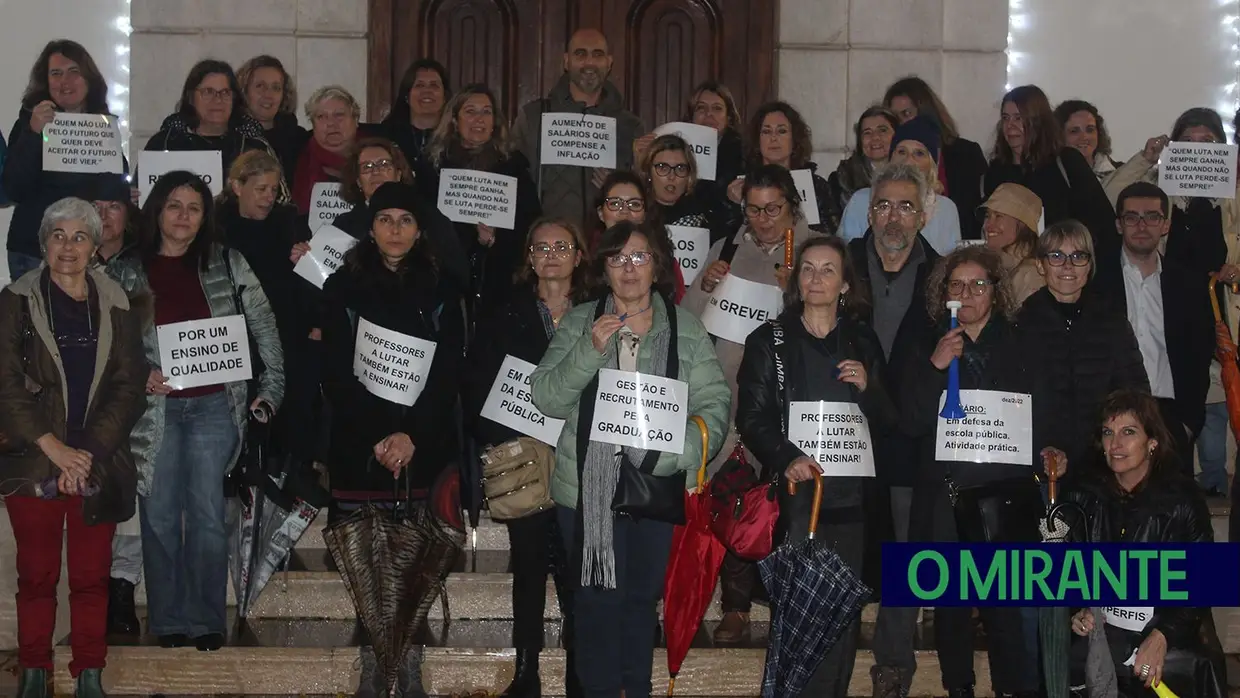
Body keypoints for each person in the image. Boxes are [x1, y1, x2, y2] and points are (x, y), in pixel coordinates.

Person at [530, 221, 730, 698]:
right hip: (585, 492)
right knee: (595, 605)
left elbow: (716, 405)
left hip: (653, 488)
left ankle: (635, 690)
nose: (629, 269)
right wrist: (590, 350)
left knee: (640, 603)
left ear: (657, 264)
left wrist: (669, 454)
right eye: (617, 258)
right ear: (603, 267)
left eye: (639, 257)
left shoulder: (685, 326)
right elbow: (546, 397)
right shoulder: (580, 321)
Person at [107, 170, 284, 652]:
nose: (183, 216)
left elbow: (264, 324)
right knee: (160, 515)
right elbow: (104, 338)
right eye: (174, 206)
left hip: (213, 406)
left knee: (207, 514)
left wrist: (271, 388)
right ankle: (167, 620)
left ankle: (207, 619)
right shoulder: (125, 268)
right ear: (157, 210)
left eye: (194, 207)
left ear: (206, 216)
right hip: (152, 410)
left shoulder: (228, 261)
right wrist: (137, 371)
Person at [319, 181, 465, 696]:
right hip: (362, 448)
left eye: (405, 220)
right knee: (366, 567)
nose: (395, 229)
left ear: (420, 229)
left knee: (418, 563)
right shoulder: (341, 286)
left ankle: (408, 662)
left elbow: (448, 374)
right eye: (385, 220)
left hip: (423, 447)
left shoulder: (446, 287)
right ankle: (372, 661)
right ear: (371, 227)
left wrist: (411, 435)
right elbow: (335, 373)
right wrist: (382, 434)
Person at [893, 245, 1057, 698]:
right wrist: (935, 366)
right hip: (945, 494)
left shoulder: (1023, 342)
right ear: (942, 292)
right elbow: (907, 421)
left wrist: (1048, 450)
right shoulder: (924, 342)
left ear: (995, 291)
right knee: (952, 605)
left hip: (1004, 493)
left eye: (978, 285)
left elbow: (1043, 411)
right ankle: (958, 688)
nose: (967, 293)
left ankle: (1010, 689)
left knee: (1004, 603)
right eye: (956, 285)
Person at [735, 236, 896, 697]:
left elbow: (891, 421)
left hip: (853, 505)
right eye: (808, 269)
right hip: (798, 503)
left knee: (841, 623)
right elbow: (752, 417)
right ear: (796, 280)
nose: (817, 278)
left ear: (845, 283)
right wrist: (787, 458)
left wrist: (869, 388)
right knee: (799, 624)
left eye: (828, 270)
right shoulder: (770, 340)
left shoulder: (863, 341)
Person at [0, 198, 147, 698]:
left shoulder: (121, 302)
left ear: (95, 244)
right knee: (36, 577)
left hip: (98, 462)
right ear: (43, 244)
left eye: (79, 236)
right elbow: (6, 385)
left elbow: (129, 386)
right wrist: (56, 450)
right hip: (33, 458)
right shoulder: (13, 300)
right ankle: (34, 675)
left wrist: (84, 453)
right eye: (58, 236)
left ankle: (89, 675)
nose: (68, 246)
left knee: (91, 580)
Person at [682, 164, 818, 644]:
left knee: (786, 506)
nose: (762, 220)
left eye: (773, 209)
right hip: (732, 395)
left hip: (790, 401)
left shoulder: (813, 251)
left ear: (793, 206)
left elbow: (837, 316)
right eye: (754, 209)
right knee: (737, 499)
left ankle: (791, 604)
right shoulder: (726, 249)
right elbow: (688, 325)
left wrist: (793, 291)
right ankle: (735, 606)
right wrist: (704, 287)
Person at [463, 218, 590, 698]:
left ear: (579, 256)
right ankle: (526, 670)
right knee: (530, 565)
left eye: (563, 245)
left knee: (579, 569)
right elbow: (476, 383)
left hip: (582, 459)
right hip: (526, 459)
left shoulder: (600, 313)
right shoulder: (503, 314)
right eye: (543, 247)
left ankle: (579, 669)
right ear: (530, 258)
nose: (553, 254)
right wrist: (505, 436)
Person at [844, 163, 940, 698]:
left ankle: (893, 663)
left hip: (910, 431)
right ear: (869, 211)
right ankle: (827, 651)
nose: (894, 217)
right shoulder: (840, 264)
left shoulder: (945, 273)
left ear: (923, 213)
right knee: (842, 543)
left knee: (906, 550)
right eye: (884, 205)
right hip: (840, 430)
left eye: (906, 206)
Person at [1063, 391, 1225, 698]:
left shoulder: (1182, 501)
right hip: (1104, 627)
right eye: (1108, 433)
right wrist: (1078, 610)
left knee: (1170, 668)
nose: (1115, 444)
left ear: (1152, 443)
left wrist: (1162, 636)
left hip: (1167, 623)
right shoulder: (1086, 496)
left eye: (1129, 432)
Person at [1093, 181, 1214, 482]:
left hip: (1171, 418)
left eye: (1152, 216)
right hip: (1111, 418)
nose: (1142, 225)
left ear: (1166, 224)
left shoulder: (1188, 283)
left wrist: (1189, 423)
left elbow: (1199, 355)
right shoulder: (1094, 282)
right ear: (1119, 225)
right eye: (1132, 217)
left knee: (1174, 519)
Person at [1013, 220, 1150, 474]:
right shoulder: (1020, 325)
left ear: (1089, 266)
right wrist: (1043, 450)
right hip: (1041, 465)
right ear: (1041, 265)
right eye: (1056, 256)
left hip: (1104, 463)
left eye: (1078, 256)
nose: (1067, 266)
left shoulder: (1112, 321)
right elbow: (1013, 404)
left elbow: (1136, 394)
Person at [4, 40, 123, 281]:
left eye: (74, 72)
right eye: (56, 74)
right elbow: (12, 189)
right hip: (33, 252)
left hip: (89, 251)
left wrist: (123, 193)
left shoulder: (103, 125)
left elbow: (115, 179)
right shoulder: (29, 125)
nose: (65, 82)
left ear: (89, 79)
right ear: (46, 81)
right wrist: (34, 134)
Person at [424, 84, 541, 320]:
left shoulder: (514, 167)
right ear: (455, 120)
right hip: (445, 284)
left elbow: (533, 224)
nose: (479, 119)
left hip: (502, 284)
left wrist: (496, 240)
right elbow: (425, 224)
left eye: (486, 111)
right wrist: (469, 238)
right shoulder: (433, 168)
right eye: (470, 111)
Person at [513, 28, 644, 228]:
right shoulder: (533, 117)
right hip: (549, 247)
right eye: (580, 54)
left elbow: (643, 195)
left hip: (609, 248)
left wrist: (615, 187)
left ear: (609, 63)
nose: (589, 63)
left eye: (597, 55)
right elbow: (513, 185)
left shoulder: (631, 126)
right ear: (566, 61)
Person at [984, 85, 1117, 263]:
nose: (1010, 126)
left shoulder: (1066, 162)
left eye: (1019, 118)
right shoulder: (995, 172)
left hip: (1064, 270)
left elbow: (1101, 223)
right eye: (1006, 118)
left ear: (1037, 121)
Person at [883, 76, 989, 240]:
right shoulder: (892, 158)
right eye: (895, 118)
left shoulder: (966, 153)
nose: (901, 123)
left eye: (906, 114)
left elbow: (977, 210)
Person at [144, 60, 277, 187]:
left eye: (225, 92)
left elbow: (282, 200)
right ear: (190, 98)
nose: (218, 100)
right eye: (208, 92)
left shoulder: (253, 146)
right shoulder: (165, 143)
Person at [841, 116, 961, 255]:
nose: (909, 160)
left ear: (932, 164)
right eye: (901, 152)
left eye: (919, 153)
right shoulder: (860, 201)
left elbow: (951, 263)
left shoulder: (946, 208)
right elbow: (845, 258)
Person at [729, 101, 834, 234]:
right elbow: (728, 237)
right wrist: (732, 204)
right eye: (766, 131)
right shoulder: (740, 185)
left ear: (794, 139)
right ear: (757, 140)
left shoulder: (817, 186)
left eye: (781, 131)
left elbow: (830, 236)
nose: (774, 138)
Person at [595, 168, 682, 302]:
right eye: (615, 203)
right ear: (601, 213)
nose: (624, 211)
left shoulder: (664, 260)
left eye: (634, 204)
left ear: (645, 214)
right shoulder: (584, 258)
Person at [291, 85, 361, 216]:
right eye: (321, 116)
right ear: (313, 124)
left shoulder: (376, 154)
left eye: (339, 115)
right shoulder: (294, 156)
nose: (331, 123)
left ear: (356, 119)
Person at [237, 55, 308, 181]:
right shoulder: (233, 138)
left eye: (276, 88)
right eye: (260, 86)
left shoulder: (300, 140)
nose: (268, 94)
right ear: (244, 91)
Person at [825, 106, 899, 226]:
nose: (875, 137)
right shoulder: (841, 180)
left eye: (882, 130)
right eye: (867, 133)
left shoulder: (909, 177)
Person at [380, 58, 450, 175]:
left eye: (434, 85)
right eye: (419, 85)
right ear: (407, 95)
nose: (427, 91)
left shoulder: (455, 138)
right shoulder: (386, 136)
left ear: (445, 97)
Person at [979, 183, 1044, 306]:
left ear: (1023, 224)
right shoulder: (999, 267)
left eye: (998, 216)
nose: (988, 225)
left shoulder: (1030, 275)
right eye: (987, 216)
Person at [1054, 99, 1120, 186]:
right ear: (1059, 136)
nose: (1084, 137)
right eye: (1074, 131)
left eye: (1090, 130)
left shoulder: (1121, 173)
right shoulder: (1050, 177)